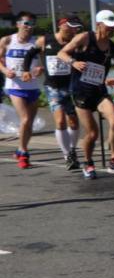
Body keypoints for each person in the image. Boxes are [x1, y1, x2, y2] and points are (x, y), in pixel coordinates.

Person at [57, 10, 114, 179]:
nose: (112, 30)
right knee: (92, 133)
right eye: (109, 27)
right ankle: (88, 163)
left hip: (99, 91)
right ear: (99, 25)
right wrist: (74, 62)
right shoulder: (84, 38)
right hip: (80, 92)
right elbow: (62, 53)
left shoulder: (113, 47)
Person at [22, 16, 84, 169]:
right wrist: (26, 71)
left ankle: (72, 150)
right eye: (72, 27)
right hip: (53, 87)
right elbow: (29, 55)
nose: (75, 30)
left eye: (77, 28)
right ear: (62, 26)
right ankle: (67, 155)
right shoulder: (45, 40)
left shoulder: (75, 42)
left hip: (70, 86)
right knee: (60, 121)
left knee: (74, 121)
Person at [1, 11, 43, 169]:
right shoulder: (7, 40)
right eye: (26, 23)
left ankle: (19, 149)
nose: (29, 27)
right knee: (25, 119)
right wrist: (5, 71)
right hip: (15, 86)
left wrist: (40, 69)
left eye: (32, 24)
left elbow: (44, 62)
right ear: (18, 24)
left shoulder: (37, 42)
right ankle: (24, 153)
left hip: (32, 86)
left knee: (29, 123)